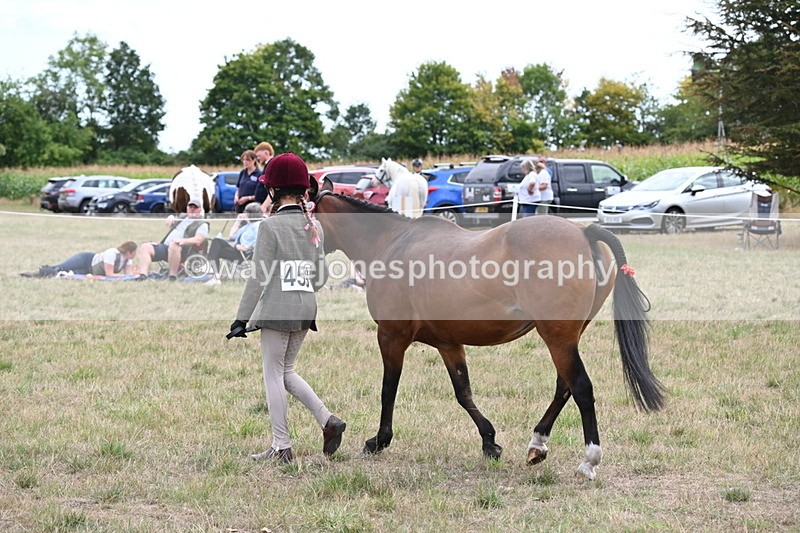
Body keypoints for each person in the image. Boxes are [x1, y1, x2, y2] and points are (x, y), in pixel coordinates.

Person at [230, 152, 346, 463]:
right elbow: (320, 277)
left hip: (277, 309)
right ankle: (327, 420)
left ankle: (281, 446)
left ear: (273, 191)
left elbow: (257, 279)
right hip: (306, 307)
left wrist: (241, 318)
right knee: (287, 371)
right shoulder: (314, 227)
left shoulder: (269, 227)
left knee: (273, 375)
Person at [135, 199, 209, 280]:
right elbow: (169, 222)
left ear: (200, 210)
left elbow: (198, 239)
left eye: (195, 207)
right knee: (145, 246)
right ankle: (143, 275)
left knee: (174, 244)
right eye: (190, 207)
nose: (192, 209)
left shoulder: (202, 223)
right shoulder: (182, 216)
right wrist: (171, 217)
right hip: (165, 247)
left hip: (184, 251)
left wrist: (183, 241)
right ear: (187, 208)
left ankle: (172, 276)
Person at [205, 201, 264, 283]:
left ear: (250, 213)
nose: (243, 213)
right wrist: (238, 221)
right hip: (237, 251)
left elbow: (259, 242)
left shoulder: (258, 225)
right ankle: (216, 276)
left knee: (216, 244)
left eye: (245, 212)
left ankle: (216, 276)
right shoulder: (247, 226)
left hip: (245, 254)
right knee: (216, 244)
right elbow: (232, 236)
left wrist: (246, 247)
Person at [21, 241, 138, 278]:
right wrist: (126, 276)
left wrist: (134, 275)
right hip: (86, 259)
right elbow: (110, 274)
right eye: (135, 252)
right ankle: (38, 272)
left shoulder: (128, 259)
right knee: (63, 267)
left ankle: (44, 274)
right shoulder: (112, 253)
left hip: (91, 271)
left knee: (66, 275)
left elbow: (128, 274)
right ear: (129, 252)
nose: (136, 254)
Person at [253, 141, 275, 209]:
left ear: (266, 153)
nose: (258, 158)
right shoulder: (267, 165)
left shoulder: (272, 165)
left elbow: (272, 189)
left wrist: (263, 207)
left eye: (259, 156)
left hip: (266, 207)